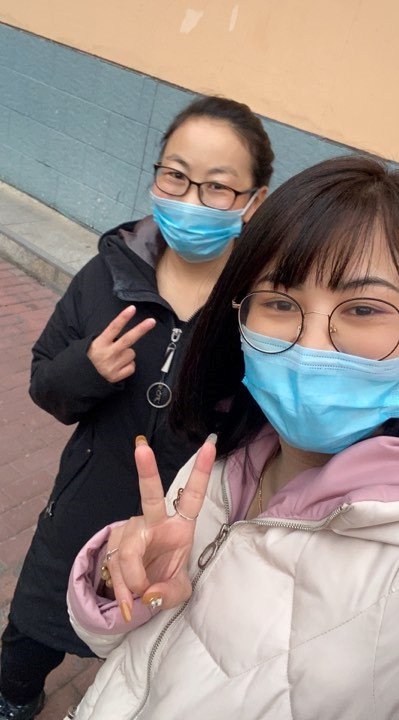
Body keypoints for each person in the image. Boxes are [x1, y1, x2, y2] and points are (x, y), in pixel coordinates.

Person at [65, 155, 399, 720]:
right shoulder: (221, 462)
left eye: (365, 308)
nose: (311, 344)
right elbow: (127, 657)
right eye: (279, 302)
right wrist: (116, 580)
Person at [0, 96, 274, 720]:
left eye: (217, 186)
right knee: (28, 641)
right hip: (77, 516)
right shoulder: (108, 275)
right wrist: (86, 368)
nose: (190, 199)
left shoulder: (262, 309)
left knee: (143, 663)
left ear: (254, 201)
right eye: (175, 175)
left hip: (181, 540)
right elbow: (45, 383)